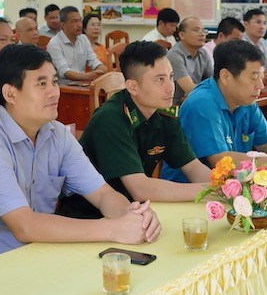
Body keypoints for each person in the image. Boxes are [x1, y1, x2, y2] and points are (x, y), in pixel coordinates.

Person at [0, 45, 161, 274]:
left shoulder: (56, 134)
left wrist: (133, 216)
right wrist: (113, 229)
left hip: (34, 257)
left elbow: (102, 194)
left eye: (54, 81)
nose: (54, 92)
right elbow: (25, 226)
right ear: (10, 93)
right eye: (41, 84)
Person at [60, 42, 210, 218]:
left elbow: (193, 168)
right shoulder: (111, 119)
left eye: (170, 77)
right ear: (132, 87)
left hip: (135, 212)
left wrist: (227, 186)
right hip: (89, 218)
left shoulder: (164, 115)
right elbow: (140, 189)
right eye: (159, 79)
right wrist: (208, 190)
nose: (171, 87)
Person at [162, 40, 267, 182]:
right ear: (226, 77)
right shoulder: (202, 103)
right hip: (192, 192)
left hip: (231, 184)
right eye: (254, 78)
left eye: (261, 77)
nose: (260, 85)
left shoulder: (246, 100)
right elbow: (220, 161)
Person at [46, 7, 105, 83]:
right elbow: (65, 72)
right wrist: (90, 76)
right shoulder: (54, 43)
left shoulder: (83, 39)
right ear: (62, 25)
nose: (80, 25)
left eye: (80, 20)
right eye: (75, 21)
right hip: (63, 87)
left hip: (83, 84)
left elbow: (94, 61)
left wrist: (101, 69)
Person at [166, 17, 212, 105]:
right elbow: (189, 88)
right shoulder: (174, 55)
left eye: (203, 30)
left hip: (195, 101)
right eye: (196, 30)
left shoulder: (203, 53)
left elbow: (214, 82)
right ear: (182, 35)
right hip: (175, 108)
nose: (202, 34)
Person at [241, 8, 267, 74]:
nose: (262, 27)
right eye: (258, 22)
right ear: (246, 24)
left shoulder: (262, 42)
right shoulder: (240, 43)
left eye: (264, 23)